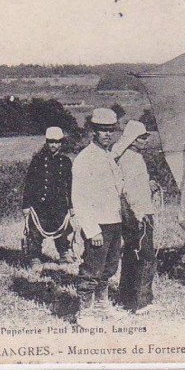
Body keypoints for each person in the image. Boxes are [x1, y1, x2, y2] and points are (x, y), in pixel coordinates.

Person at [71, 108, 125, 323]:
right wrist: (92, 229)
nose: (107, 134)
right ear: (93, 131)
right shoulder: (85, 158)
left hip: (114, 220)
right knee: (92, 268)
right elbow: (80, 197)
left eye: (111, 130)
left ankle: (102, 305)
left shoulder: (109, 156)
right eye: (103, 130)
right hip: (98, 224)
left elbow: (117, 188)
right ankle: (85, 311)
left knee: (110, 267)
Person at [112, 120, 159, 314]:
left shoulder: (129, 157)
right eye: (142, 137)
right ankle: (141, 301)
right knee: (145, 255)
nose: (146, 140)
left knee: (132, 253)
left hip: (134, 212)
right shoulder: (131, 159)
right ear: (132, 140)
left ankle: (126, 297)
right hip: (138, 213)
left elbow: (134, 186)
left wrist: (149, 185)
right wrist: (139, 214)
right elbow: (129, 191)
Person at [22, 126, 74, 266]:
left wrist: (71, 206)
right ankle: (35, 256)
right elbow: (29, 183)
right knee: (35, 232)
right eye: (51, 142)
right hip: (40, 203)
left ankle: (64, 253)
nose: (54, 145)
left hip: (59, 204)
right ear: (46, 142)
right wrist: (26, 205)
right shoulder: (38, 160)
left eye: (57, 142)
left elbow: (70, 185)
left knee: (62, 230)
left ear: (61, 143)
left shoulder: (66, 161)